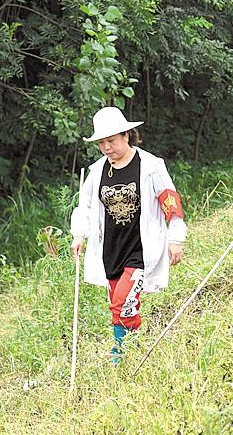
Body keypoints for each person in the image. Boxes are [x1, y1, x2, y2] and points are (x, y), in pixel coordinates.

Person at [71, 106, 187, 360]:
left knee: (122, 302)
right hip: (111, 249)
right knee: (121, 302)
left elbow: (170, 202)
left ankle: (119, 353)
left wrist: (176, 237)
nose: (106, 148)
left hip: (140, 248)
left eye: (111, 141)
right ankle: (132, 347)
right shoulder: (97, 171)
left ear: (126, 135)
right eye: (101, 143)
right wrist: (79, 234)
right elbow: (85, 205)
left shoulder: (150, 166)